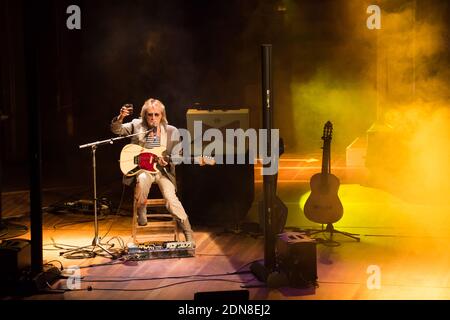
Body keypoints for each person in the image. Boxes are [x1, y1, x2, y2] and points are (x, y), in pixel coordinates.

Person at [111, 98, 194, 243]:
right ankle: (141, 207)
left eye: (157, 114)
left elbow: (178, 156)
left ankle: (187, 232)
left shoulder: (171, 131)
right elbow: (116, 130)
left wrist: (167, 160)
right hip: (143, 170)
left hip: (163, 173)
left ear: (162, 115)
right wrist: (121, 117)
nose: (153, 118)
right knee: (142, 179)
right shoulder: (137, 125)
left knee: (171, 198)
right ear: (145, 115)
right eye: (150, 115)